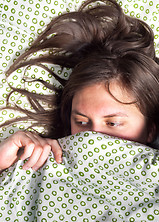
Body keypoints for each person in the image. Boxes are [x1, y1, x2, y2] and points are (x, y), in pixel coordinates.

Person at [0, 0, 159, 172]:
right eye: (81, 122)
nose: (92, 137)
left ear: (151, 129)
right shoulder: (37, 165)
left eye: (113, 123)